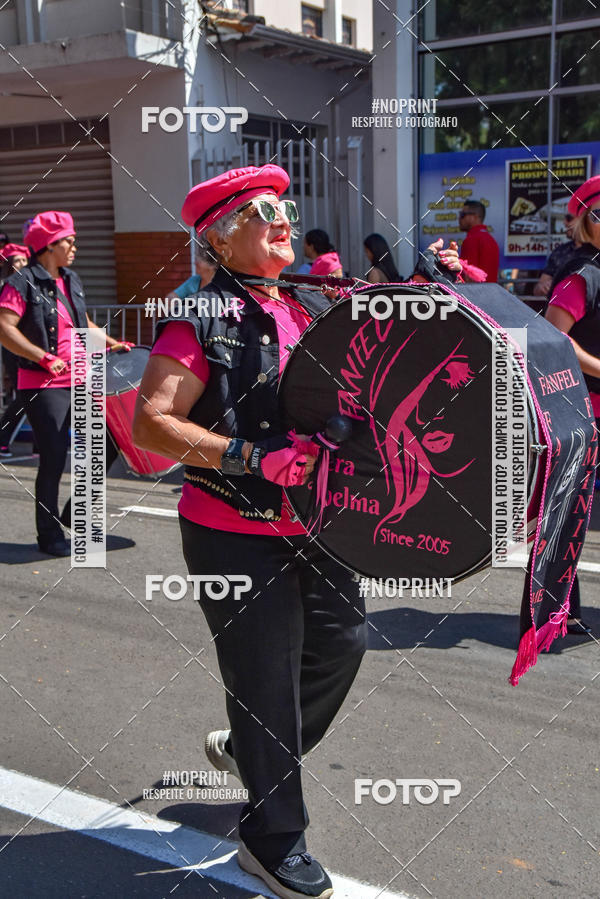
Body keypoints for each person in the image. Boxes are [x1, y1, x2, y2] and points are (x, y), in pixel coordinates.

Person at [133, 165, 463, 899]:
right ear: (220, 237)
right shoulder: (201, 317)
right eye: (261, 211)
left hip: (316, 519)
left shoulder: (313, 303)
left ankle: (254, 748)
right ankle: (270, 836)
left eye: (285, 206)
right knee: (265, 676)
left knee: (342, 644)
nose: (284, 218)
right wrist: (247, 455)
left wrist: (441, 291)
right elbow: (150, 422)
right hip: (233, 527)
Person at [0, 211, 132, 556]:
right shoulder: (21, 282)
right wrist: (43, 356)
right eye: (68, 241)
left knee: (110, 441)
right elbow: (5, 327)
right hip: (43, 384)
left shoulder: (70, 278)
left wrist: (110, 342)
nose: (74, 247)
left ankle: (75, 511)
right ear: (48, 245)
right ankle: (49, 535)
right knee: (55, 456)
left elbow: (80, 320)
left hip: (82, 376)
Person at [545, 174, 600, 636]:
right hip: (584, 412)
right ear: (585, 222)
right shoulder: (583, 274)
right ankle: (561, 611)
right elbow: (554, 335)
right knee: (571, 511)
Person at [0, 244, 30, 456]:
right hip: (13, 348)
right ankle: (2, 438)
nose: (21, 264)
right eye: (16, 261)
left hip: (33, 347)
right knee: (25, 395)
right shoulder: (6, 287)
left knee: (34, 396)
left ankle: (42, 445)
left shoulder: (30, 284)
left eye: (24, 260)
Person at [533, 212, 580, 298]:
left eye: (569, 218)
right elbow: (537, 290)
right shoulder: (561, 252)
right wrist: (543, 287)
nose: (564, 223)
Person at [458, 199, 500, 282]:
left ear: (475, 217)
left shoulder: (472, 239)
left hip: (475, 293)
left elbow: (468, 277)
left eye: (462, 214)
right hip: (490, 291)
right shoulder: (490, 238)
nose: (459, 218)